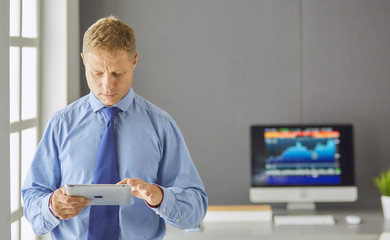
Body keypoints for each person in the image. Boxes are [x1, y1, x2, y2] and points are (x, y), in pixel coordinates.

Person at [22, 16, 208, 239]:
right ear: (83, 60)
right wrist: (51, 206)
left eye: (118, 73)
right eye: (97, 73)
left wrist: (160, 197)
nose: (107, 86)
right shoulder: (60, 124)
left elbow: (195, 210)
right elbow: (33, 200)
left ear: (134, 61)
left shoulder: (161, 126)